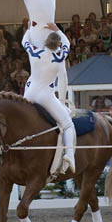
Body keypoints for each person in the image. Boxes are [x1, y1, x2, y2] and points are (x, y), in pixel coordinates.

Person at [22, 22, 75, 173]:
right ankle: (69, 155)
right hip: (46, 95)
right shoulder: (59, 57)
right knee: (68, 124)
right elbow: (68, 44)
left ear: (45, 42)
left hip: (29, 94)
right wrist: (56, 29)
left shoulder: (34, 52)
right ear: (57, 44)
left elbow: (24, 41)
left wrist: (29, 28)